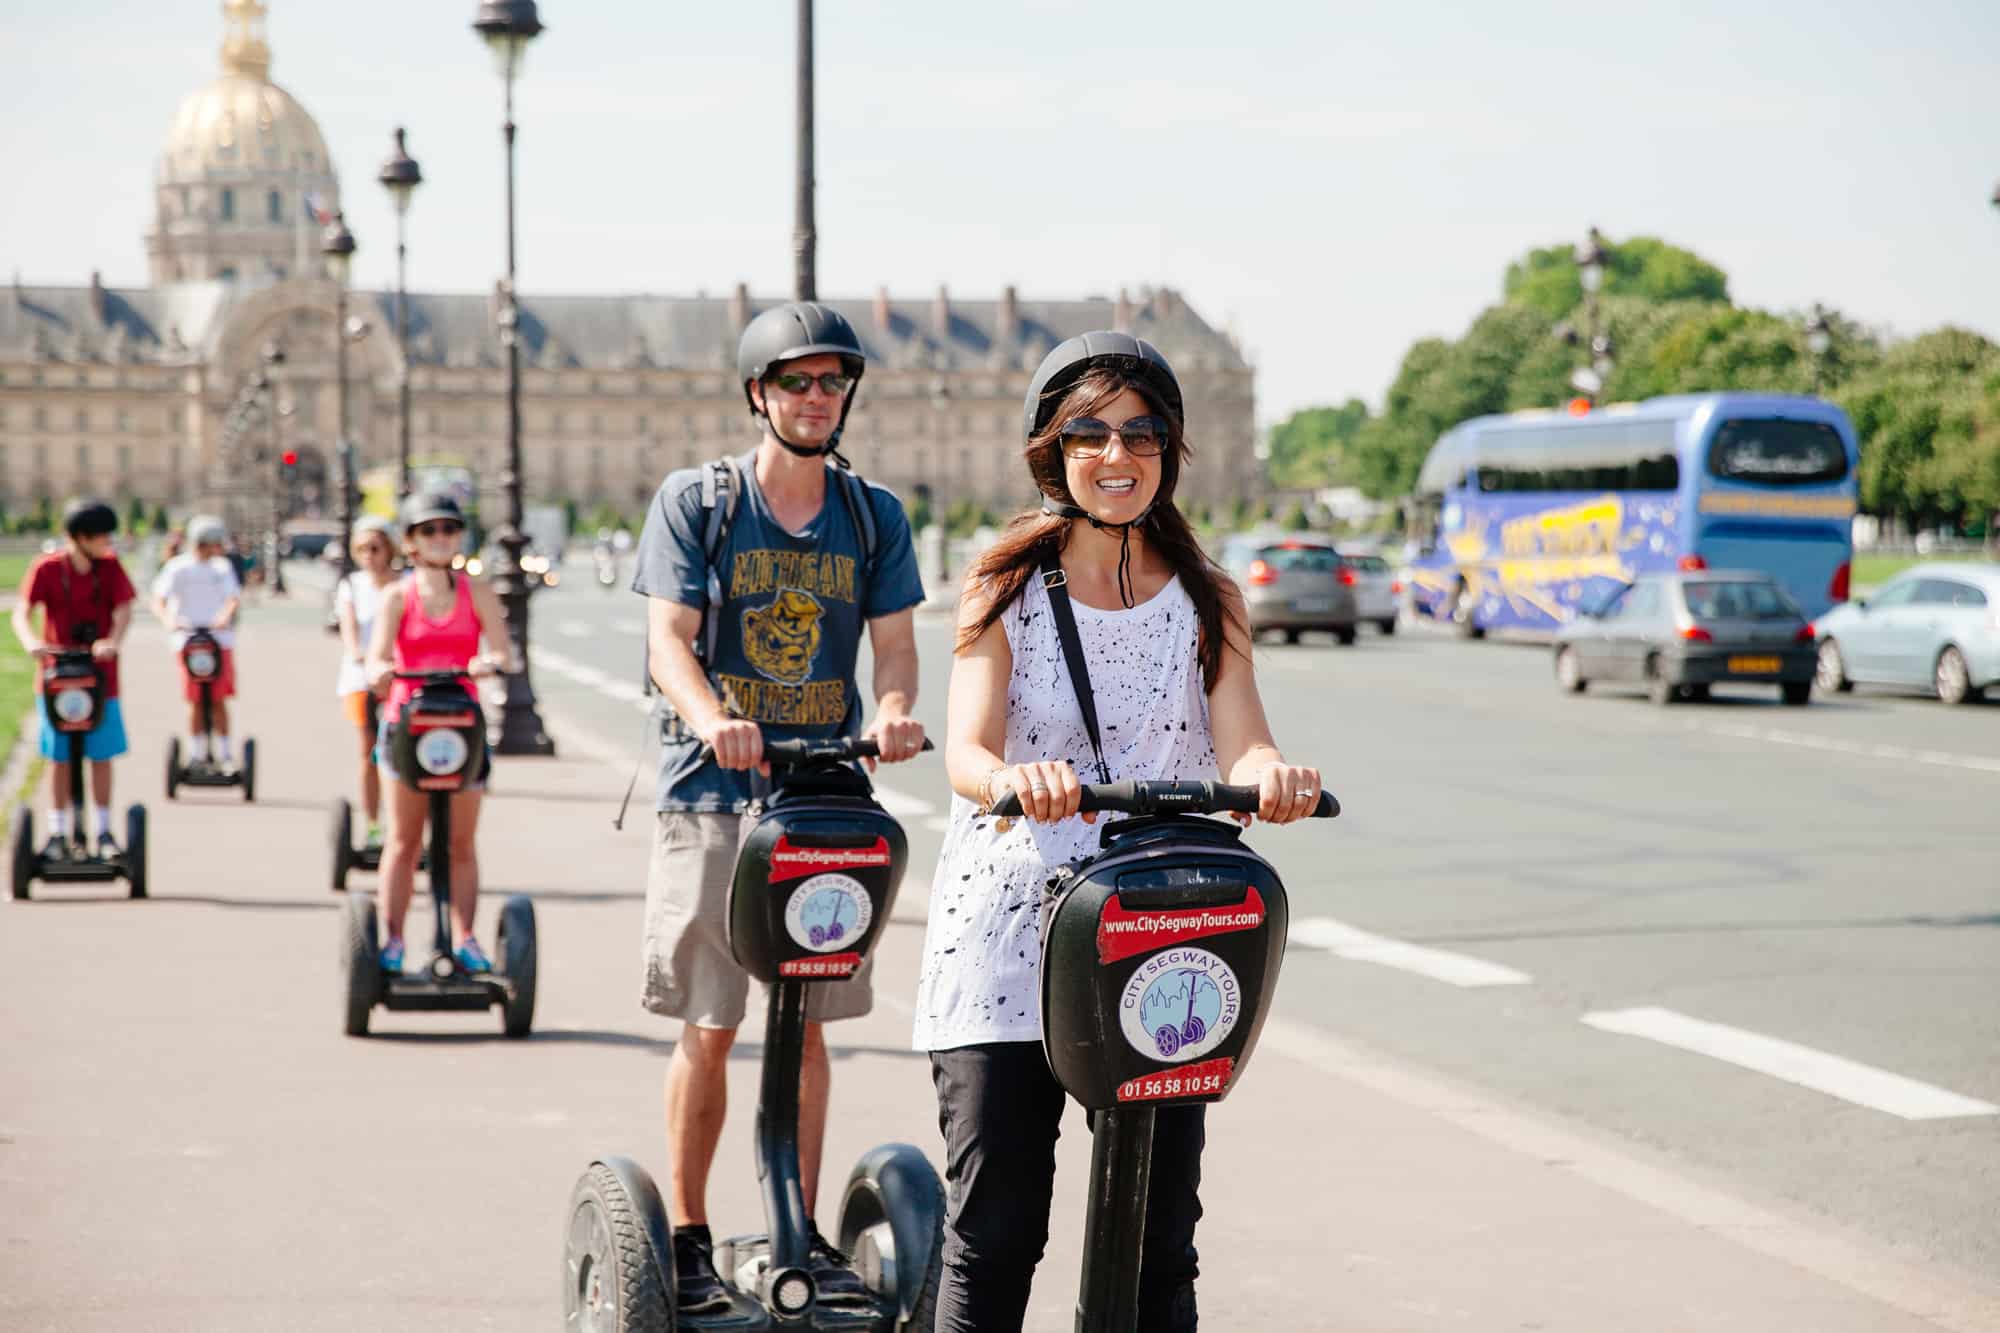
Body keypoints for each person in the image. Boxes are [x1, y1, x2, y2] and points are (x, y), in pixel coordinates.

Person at [913, 332, 1325, 1332]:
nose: (1116, 453)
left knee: (1156, 1242)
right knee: (997, 1231)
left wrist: (1276, 780)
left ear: (1170, 451)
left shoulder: (1208, 597)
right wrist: (1017, 777)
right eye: (1089, 432)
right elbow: (963, 754)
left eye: (1141, 433)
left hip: (1156, 927)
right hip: (1011, 930)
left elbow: (1245, 747)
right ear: (1050, 450)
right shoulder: (1004, 584)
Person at [633, 301, 927, 1313]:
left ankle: (796, 1228)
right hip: (714, 796)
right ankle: (684, 1234)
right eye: (795, 382)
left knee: (805, 1025)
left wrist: (891, 712)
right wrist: (714, 716)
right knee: (711, 1022)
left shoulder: (869, 513)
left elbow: (892, 645)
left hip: (821, 797)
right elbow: (668, 637)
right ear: (759, 393)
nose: (814, 398)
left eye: (829, 383)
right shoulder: (698, 500)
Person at [364, 493, 512, 976]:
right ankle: (393, 941)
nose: (441, 538)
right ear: (410, 541)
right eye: (429, 530)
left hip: (462, 723)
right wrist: (381, 673)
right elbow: (377, 656)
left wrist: (487, 663)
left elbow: (505, 654)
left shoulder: (478, 592)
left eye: (449, 528)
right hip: (409, 723)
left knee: (461, 843)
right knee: (404, 841)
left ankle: (465, 938)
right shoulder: (396, 596)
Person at [8, 499, 137, 860]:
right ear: (81, 537)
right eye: (102, 535)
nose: (109, 541)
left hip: (101, 679)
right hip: (56, 677)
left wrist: (112, 640)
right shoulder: (48, 568)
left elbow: (124, 608)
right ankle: (57, 832)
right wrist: (32, 642)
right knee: (59, 758)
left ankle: (105, 830)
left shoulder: (110, 569)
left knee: (101, 755)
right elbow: (22, 611)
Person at [150, 515, 244, 770]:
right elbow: (159, 598)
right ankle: (196, 752)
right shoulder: (178, 567)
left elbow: (232, 598)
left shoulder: (221, 568)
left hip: (218, 640)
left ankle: (224, 754)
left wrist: (224, 617)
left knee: (218, 698)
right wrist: (169, 619)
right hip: (188, 640)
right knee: (195, 699)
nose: (218, 548)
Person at [333, 515, 400, 847]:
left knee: (405, 752)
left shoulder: (404, 584)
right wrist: (357, 651)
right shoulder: (352, 586)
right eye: (361, 550)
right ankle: (374, 824)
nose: (369, 556)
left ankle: (409, 825)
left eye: (375, 548)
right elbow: (348, 627)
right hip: (362, 678)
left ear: (389, 548)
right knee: (369, 752)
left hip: (399, 677)